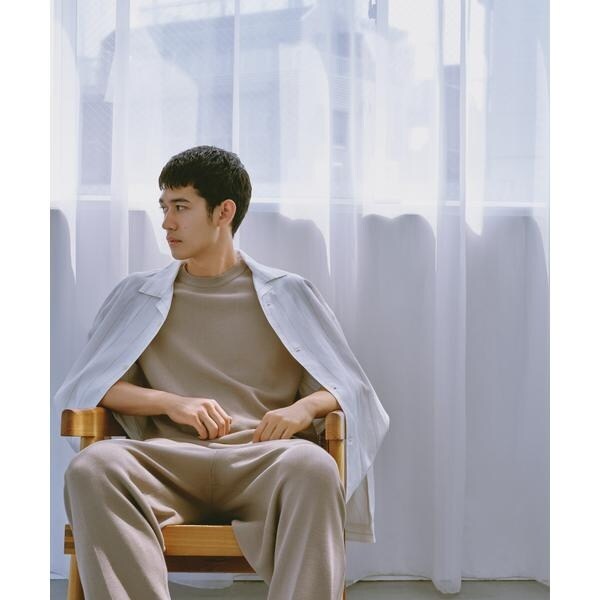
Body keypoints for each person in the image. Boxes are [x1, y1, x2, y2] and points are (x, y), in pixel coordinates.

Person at [55, 145, 390, 600]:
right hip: (168, 465)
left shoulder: (289, 293)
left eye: (181, 207)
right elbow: (91, 386)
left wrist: (303, 408)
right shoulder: (137, 295)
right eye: (164, 207)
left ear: (224, 212)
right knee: (93, 467)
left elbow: (350, 386)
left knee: (314, 466)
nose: (167, 222)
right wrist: (172, 403)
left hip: (261, 461)